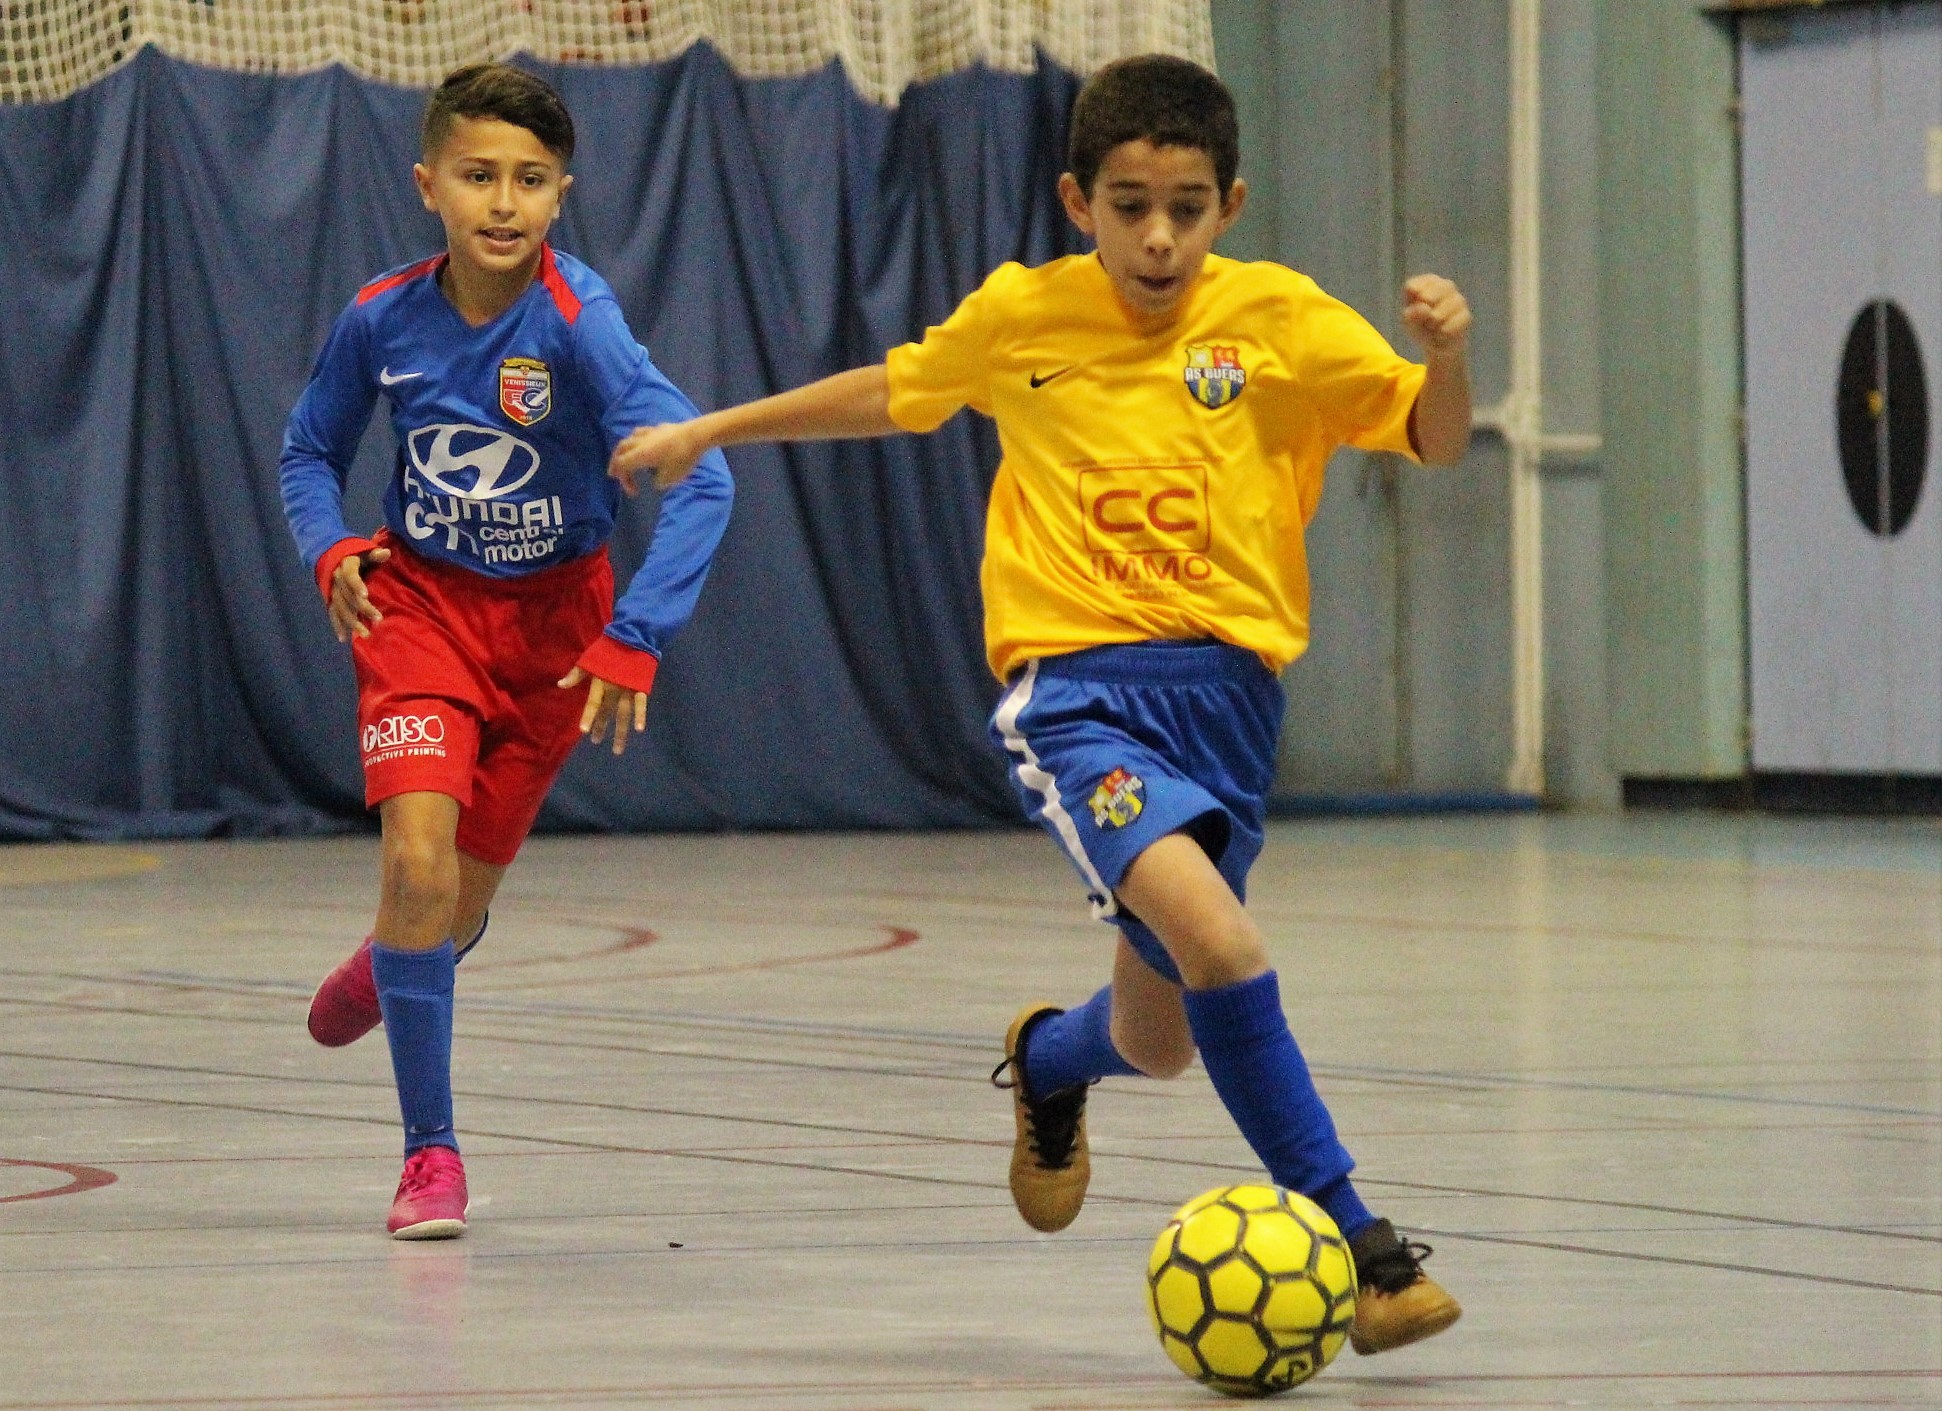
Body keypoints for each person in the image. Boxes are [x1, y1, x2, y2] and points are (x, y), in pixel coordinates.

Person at [606, 54, 1468, 1353]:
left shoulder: (1281, 320)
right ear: (1078, 199)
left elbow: (1432, 435)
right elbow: (892, 390)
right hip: (1075, 699)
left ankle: (1051, 1062)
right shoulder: (1023, 317)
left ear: (1229, 202)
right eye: (1129, 203)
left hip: (1229, 704)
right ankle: (1364, 1243)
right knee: (1225, 949)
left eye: (1184, 204)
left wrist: (1445, 357)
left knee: (1159, 1035)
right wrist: (711, 428)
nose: (1158, 233)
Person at [278, 63, 733, 1240]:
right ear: (430, 183)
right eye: (478, 175)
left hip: (552, 638)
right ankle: (430, 1154)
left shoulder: (582, 327)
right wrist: (332, 552)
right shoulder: (381, 316)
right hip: (419, 612)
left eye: (529, 181)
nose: (502, 201)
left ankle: (393, 963)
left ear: (560, 196)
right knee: (418, 870)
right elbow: (306, 454)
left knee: (456, 900)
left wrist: (635, 638)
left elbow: (706, 478)